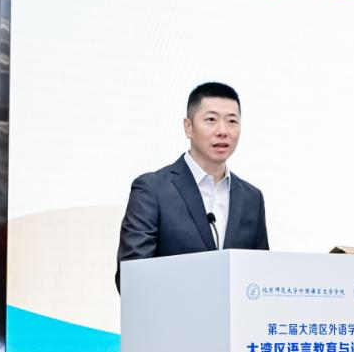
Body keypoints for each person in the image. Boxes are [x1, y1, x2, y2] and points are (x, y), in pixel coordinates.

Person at [115, 82, 269, 291]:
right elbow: (132, 278)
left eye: (232, 121)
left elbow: (261, 276)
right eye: (211, 120)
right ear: (188, 127)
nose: (223, 131)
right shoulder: (152, 190)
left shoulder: (252, 198)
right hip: (171, 311)